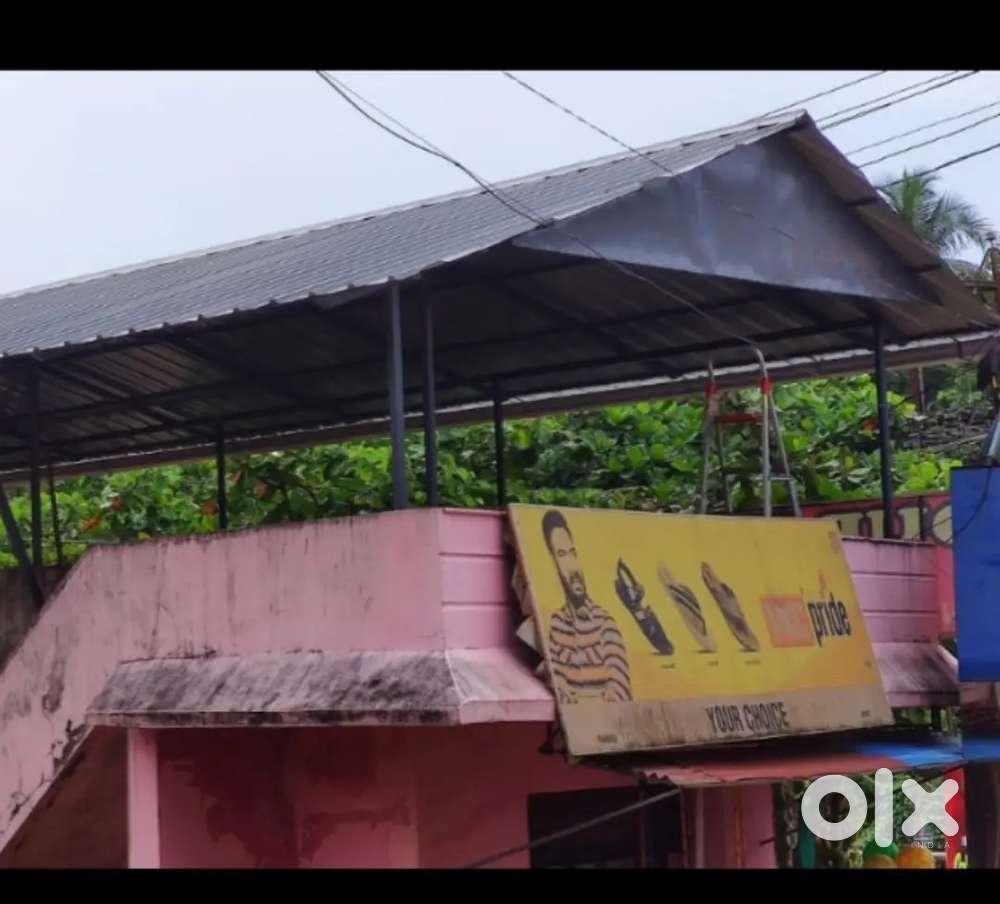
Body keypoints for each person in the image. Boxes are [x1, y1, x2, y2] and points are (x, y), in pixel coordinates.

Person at [541, 509, 632, 704]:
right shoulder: (556, 625)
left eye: (573, 552)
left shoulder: (604, 623)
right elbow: (556, 685)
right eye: (562, 554)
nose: (572, 566)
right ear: (554, 561)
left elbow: (621, 692)